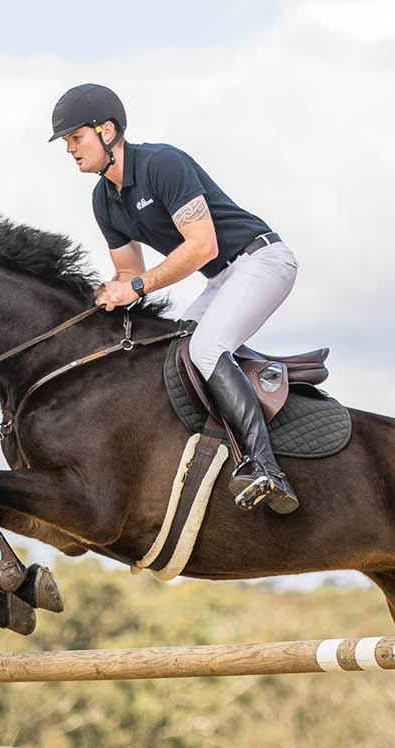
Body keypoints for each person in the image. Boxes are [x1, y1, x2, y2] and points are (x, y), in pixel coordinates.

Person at [48, 83, 300, 515]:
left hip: (262, 260)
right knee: (174, 355)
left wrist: (139, 286)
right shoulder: (104, 199)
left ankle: (266, 468)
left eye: (76, 138)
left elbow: (201, 245)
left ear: (107, 131)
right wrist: (87, 296)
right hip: (223, 278)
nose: (69, 149)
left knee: (205, 348)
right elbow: (127, 273)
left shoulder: (161, 163)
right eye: (67, 142)